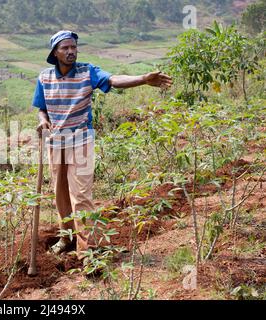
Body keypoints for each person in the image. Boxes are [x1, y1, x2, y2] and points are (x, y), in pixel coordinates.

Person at [32, 30, 173, 259]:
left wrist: (142, 79)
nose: (71, 51)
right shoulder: (44, 78)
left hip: (81, 140)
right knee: (60, 193)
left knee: (81, 195)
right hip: (56, 142)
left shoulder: (88, 71)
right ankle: (66, 237)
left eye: (73, 47)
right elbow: (41, 108)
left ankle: (86, 250)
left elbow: (112, 80)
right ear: (55, 53)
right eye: (65, 48)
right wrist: (43, 121)